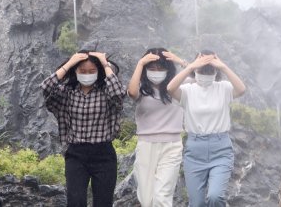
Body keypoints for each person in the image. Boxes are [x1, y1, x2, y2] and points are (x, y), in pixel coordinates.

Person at [41, 49, 126, 207]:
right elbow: (46, 87)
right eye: (82, 71)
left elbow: (118, 94)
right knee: (75, 201)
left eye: (92, 71)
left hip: (104, 154)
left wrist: (104, 63)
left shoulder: (106, 92)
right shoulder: (67, 93)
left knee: (103, 202)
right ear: (76, 71)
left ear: (98, 72)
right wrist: (69, 63)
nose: (87, 74)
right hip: (76, 154)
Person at [166, 50, 246, 207]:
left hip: (221, 148)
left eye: (209, 66)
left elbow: (241, 89)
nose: (205, 69)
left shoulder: (223, 88)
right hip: (195, 150)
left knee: (215, 197)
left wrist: (223, 66)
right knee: (196, 204)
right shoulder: (188, 90)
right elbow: (170, 88)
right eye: (202, 66)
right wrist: (190, 67)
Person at [127, 47, 189, 207]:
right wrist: (140, 63)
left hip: (172, 146)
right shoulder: (141, 87)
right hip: (146, 145)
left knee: (162, 197)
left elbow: (196, 78)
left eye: (161, 68)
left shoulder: (179, 86)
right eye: (152, 68)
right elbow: (132, 92)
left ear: (168, 70)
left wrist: (180, 61)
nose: (156, 72)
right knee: (146, 200)